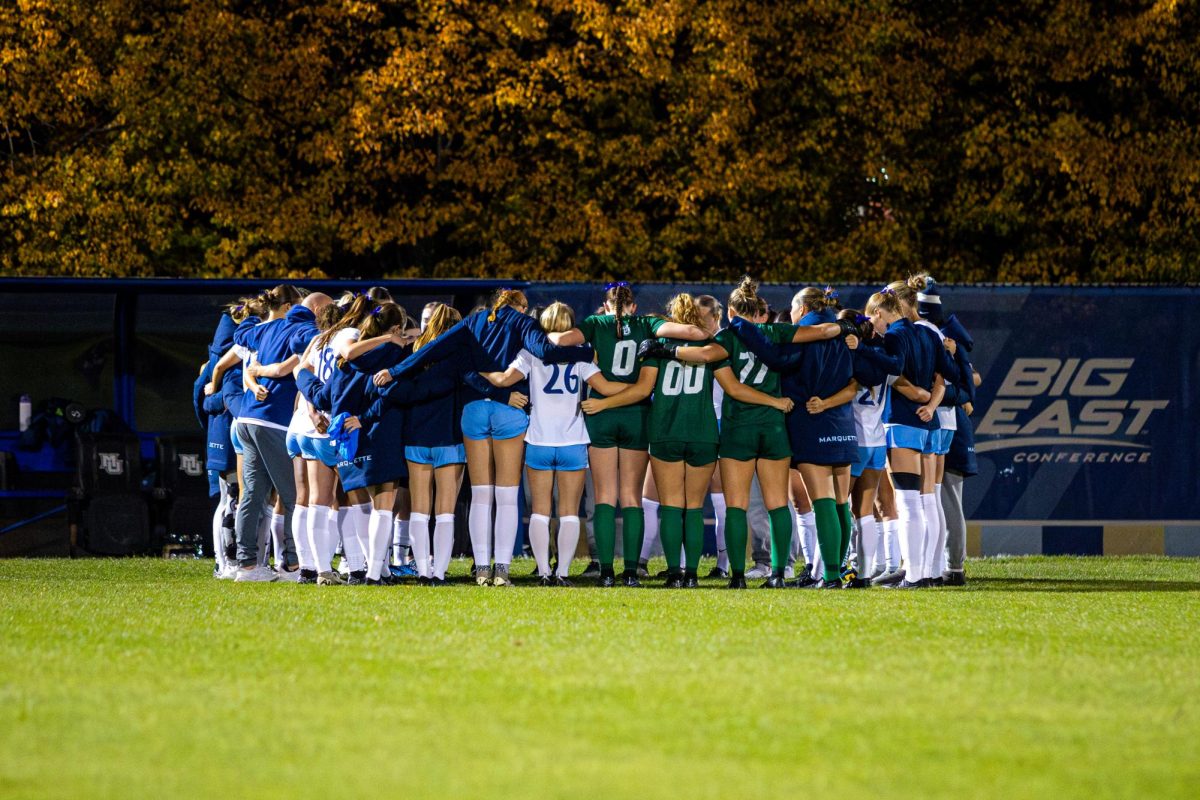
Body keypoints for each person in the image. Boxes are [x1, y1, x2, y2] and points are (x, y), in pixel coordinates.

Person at [375, 288, 594, 586]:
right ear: (516, 305)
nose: (527, 311)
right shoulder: (522, 323)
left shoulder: (473, 323)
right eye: (525, 306)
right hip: (510, 410)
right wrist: (584, 352)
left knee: (480, 494)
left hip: (474, 410)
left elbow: (434, 348)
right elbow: (546, 352)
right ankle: (501, 569)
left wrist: (395, 370)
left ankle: (481, 568)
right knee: (505, 496)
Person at [547, 281, 710, 585]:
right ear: (633, 305)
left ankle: (606, 571)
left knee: (606, 497)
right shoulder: (647, 322)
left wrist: (541, 332)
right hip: (636, 415)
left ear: (606, 305)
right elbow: (696, 333)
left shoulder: (596, 322)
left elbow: (560, 339)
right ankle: (632, 572)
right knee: (632, 498)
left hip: (601, 415)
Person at [482, 302, 631, 585]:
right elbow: (607, 388)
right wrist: (642, 387)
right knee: (569, 512)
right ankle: (562, 573)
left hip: (539, 439)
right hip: (573, 441)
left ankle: (543, 572)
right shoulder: (583, 355)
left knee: (539, 511)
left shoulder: (531, 352)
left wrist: (477, 368)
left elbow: (503, 380)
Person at [725, 286, 859, 588]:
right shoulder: (844, 335)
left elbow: (777, 358)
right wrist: (854, 330)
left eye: (793, 309)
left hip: (810, 422)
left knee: (821, 501)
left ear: (802, 308)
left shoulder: (802, 332)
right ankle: (836, 570)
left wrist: (738, 323)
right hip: (844, 425)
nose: (792, 315)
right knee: (841, 502)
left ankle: (832, 576)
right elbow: (860, 379)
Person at [849, 287, 954, 589]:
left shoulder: (895, 334)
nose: (874, 327)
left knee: (909, 503)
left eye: (873, 319)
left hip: (902, 423)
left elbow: (893, 364)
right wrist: (932, 402)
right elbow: (947, 373)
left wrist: (862, 348)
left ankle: (915, 575)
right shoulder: (927, 333)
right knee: (925, 501)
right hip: (927, 425)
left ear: (880, 313)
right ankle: (929, 572)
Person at [230, 286, 329, 582]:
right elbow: (302, 353)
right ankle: (293, 565)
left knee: (253, 494)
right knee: (294, 496)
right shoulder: (301, 328)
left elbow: (240, 337)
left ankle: (246, 565)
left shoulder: (262, 328)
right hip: (273, 420)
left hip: (247, 419)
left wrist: (258, 370)